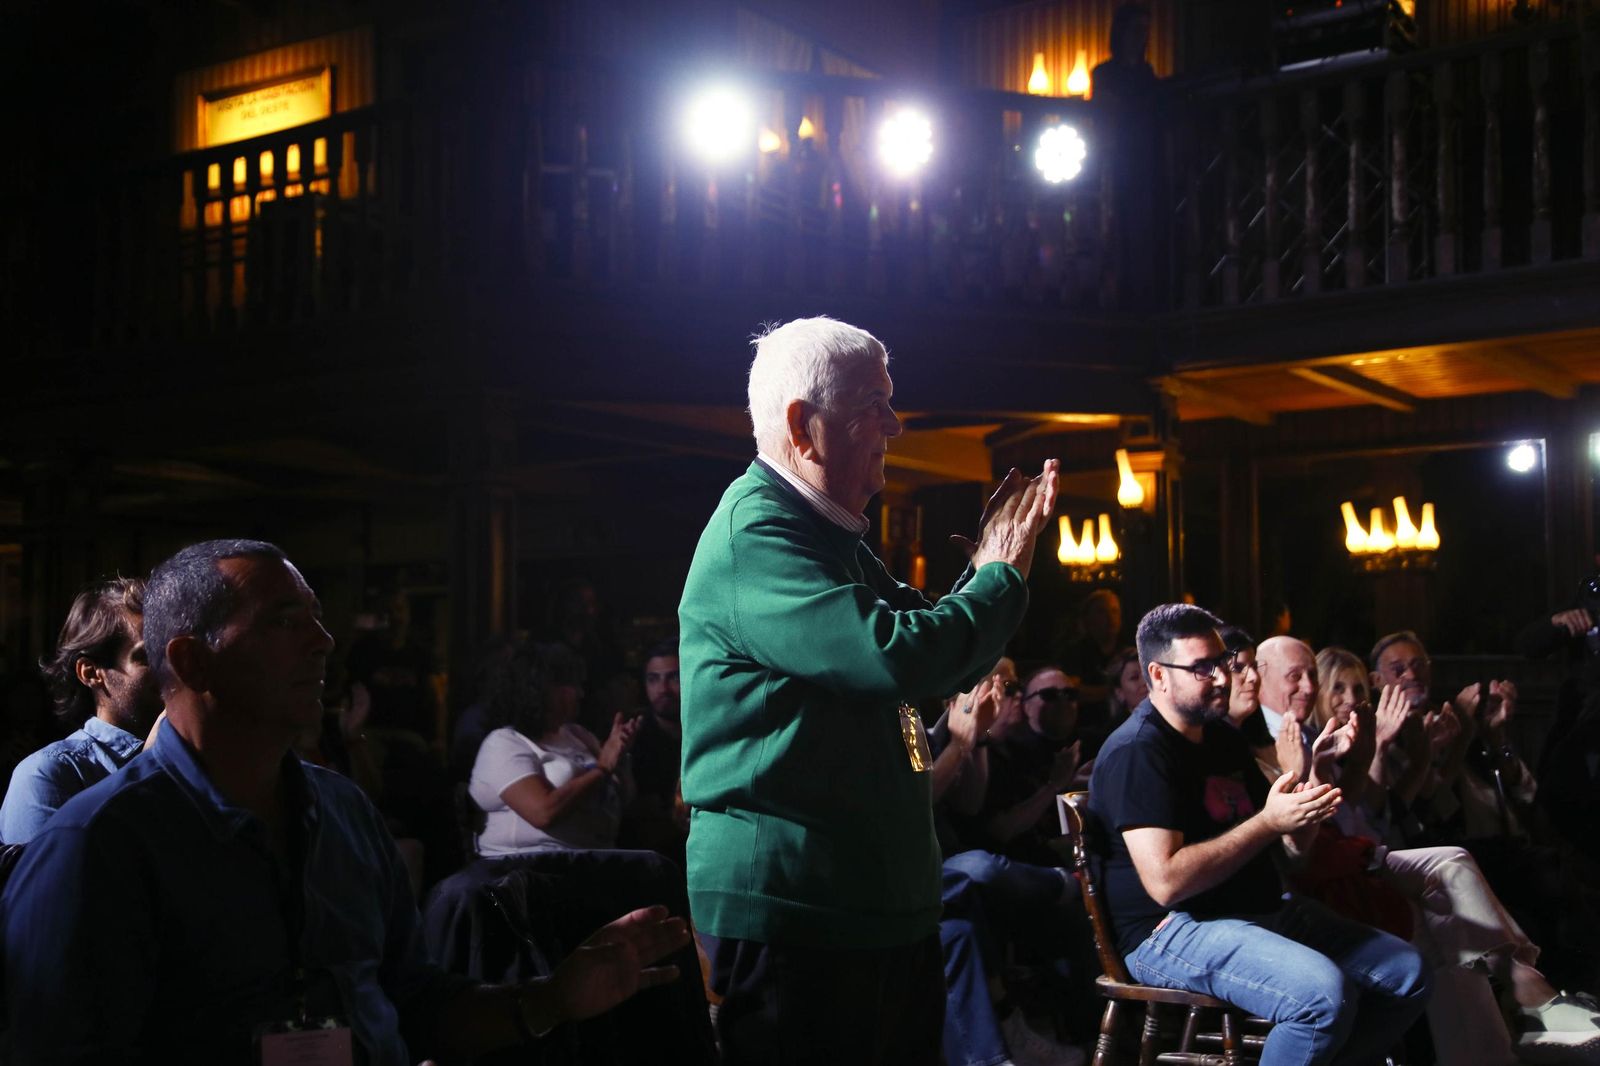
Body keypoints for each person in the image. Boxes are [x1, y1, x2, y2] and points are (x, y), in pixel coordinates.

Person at [1, 539, 690, 1064]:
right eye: (282, 622)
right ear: (191, 661)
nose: (323, 642)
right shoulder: (98, 846)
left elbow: (412, 1001)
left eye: (317, 618)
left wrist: (551, 997)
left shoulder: (342, 811)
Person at [679, 316, 1059, 1065]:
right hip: (800, 912)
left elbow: (935, 649)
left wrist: (985, 577)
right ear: (803, 425)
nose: (895, 422)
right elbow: (896, 659)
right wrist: (999, 575)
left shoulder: (826, 534)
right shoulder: (758, 534)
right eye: (871, 403)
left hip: (870, 906)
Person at [1088, 603, 1430, 1066]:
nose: (1222, 678)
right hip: (1168, 930)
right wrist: (1268, 822)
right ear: (1159, 674)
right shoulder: (1138, 751)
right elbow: (1166, 882)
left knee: (1407, 972)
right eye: (1201, 668)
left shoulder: (1223, 739)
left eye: (1222, 663)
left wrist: (1315, 779)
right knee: (1321, 995)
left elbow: (1292, 856)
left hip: (1253, 908)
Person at [0, 576, 162, 843]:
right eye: (146, 656)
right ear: (91, 672)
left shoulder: (203, 756)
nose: (169, 667)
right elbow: (54, 882)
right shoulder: (50, 774)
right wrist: (150, 765)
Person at [468, 642, 638, 856]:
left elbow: (624, 799)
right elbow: (543, 813)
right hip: (528, 867)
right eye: (572, 685)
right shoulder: (503, 743)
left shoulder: (578, 734)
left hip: (593, 858)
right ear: (541, 689)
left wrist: (620, 757)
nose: (581, 693)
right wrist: (602, 767)